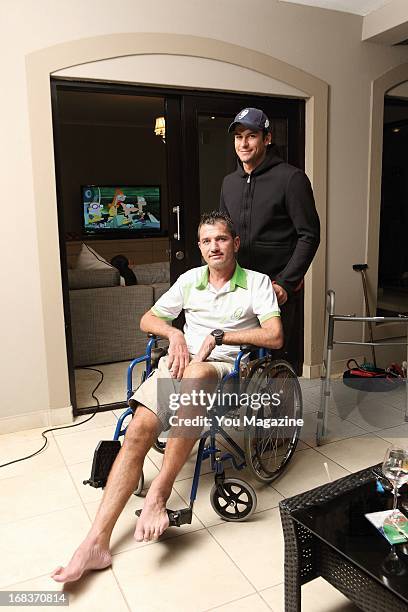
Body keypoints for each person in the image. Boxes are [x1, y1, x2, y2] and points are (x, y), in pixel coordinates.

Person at [51, 211, 283, 584]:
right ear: (200, 247)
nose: (214, 247)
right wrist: (174, 335)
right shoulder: (191, 280)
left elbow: (274, 336)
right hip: (180, 365)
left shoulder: (256, 283)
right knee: (139, 430)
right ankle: (95, 541)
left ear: (235, 243)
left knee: (198, 372)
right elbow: (148, 319)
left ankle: (158, 494)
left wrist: (223, 337)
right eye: (206, 241)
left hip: (224, 371)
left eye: (221, 239)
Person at [220, 107, 320, 374]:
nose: (243, 143)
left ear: (267, 139)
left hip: (277, 287)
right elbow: (224, 234)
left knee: (275, 365)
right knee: (238, 361)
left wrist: (286, 282)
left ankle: (280, 414)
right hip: (240, 287)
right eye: (238, 136)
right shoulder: (229, 183)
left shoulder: (291, 178)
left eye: (251, 136)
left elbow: (309, 235)